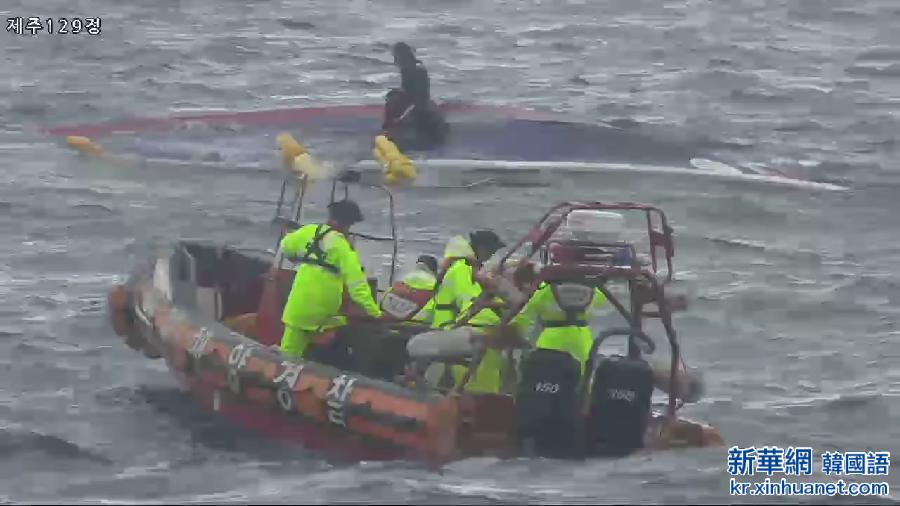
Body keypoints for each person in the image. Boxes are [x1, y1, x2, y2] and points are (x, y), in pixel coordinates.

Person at [279, 200, 383, 360]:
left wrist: (299, 258)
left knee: (288, 353)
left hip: (297, 308)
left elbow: (286, 246)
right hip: (323, 314)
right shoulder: (342, 247)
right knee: (345, 327)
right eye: (349, 225)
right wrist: (374, 312)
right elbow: (357, 285)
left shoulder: (308, 231)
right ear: (345, 223)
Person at [383, 42, 448, 149]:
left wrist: (403, 117)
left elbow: (419, 96)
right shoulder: (406, 69)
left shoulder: (417, 70)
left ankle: (395, 134)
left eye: (397, 57)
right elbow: (407, 91)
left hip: (420, 104)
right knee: (392, 97)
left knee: (396, 102)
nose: (395, 61)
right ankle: (389, 132)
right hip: (412, 101)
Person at [380, 254, 438, 324]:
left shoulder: (399, 282)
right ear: (434, 270)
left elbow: (382, 302)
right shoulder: (436, 289)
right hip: (413, 329)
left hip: (385, 325)